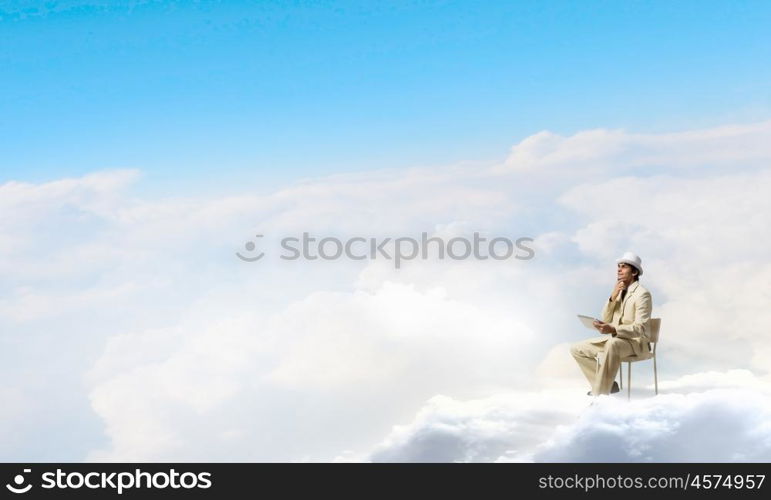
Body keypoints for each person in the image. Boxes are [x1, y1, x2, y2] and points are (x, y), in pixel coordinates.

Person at [570, 252, 653, 396]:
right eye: (618, 267)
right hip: (616, 340)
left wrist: (613, 328)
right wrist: (612, 298)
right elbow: (606, 317)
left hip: (635, 343)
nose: (619, 270)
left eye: (623, 267)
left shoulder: (642, 294)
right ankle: (608, 385)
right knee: (576, 349)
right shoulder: (619, 292)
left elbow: (640, 328)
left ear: (634, 272)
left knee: (612, 345)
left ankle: (600, 394)